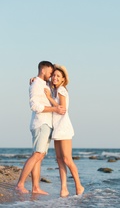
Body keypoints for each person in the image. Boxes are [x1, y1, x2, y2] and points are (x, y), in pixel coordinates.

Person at [16, 61, 66, 195]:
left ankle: (36, 187)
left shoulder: (42, 83)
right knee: (37, 154)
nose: (51, 76)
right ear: (43, 71)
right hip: (40, 123)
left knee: (40, 155)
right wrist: (54, 108)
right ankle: (20, 184)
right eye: (50, 73)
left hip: (45, 124)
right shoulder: (36, 84)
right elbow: (34, 106)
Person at [44, 64, 84, 197]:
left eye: (58, 76)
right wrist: (33, 79)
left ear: (63, 79)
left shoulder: (61, 90)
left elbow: (62, 108)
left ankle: (79, 186)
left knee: (67, 159)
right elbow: (44, 80)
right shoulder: (54, 89)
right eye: (54, 75)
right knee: (59, 159)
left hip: (64, 128)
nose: (55, 77)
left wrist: (49, 98)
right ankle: (64, 189)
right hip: (57, 128)